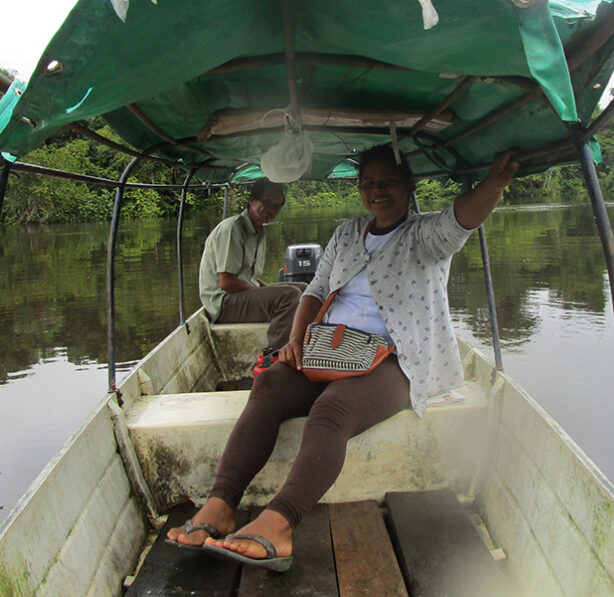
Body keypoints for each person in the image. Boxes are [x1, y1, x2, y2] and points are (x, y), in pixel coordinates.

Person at [168, 145, 518, 571]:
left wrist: (496, 181)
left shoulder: (425, 236)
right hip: (333, 350)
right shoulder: (348, 233)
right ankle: (221, 505)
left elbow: (464, 215)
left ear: (408, 185)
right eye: (368, 182)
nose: (377, 190)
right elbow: (314, 290)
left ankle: (279, 523)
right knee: (271, 382)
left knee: (332, 409)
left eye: (388, 181)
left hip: (397, 361)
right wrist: (295, 341)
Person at [198, 179, 306, 350]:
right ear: (252, 201)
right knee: (289, 295)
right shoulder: (233, 228)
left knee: (303, 288)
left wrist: (268, 289)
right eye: (267, 202)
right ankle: (276, 353)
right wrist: (265, 293)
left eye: (277, 206)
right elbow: (226, 282)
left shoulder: (259, 231)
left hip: (238, 297)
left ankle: (303, 343)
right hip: (224, 304)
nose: (271, 209)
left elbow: (250, 277)